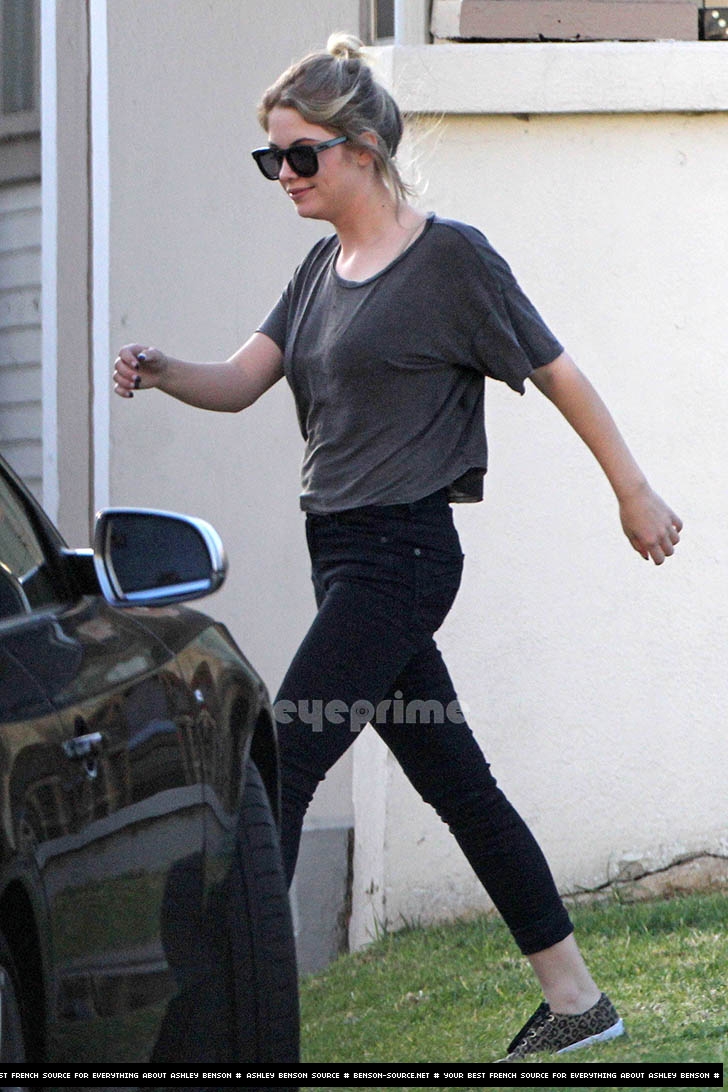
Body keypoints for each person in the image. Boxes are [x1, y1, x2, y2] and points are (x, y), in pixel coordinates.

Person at [113, 33, 682, 1060]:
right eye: (270, 158)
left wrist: (630, 491)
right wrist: (163, 369)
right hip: (342, 556)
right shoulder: (318, 269)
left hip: (401, 559)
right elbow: (242, 380)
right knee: (458, 786)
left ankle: (226, 1026)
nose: (283, 175)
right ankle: (578, 1005)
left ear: (363, 149)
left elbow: (557, 373)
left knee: (279, 762)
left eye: (299, 155)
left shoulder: (450, 260)